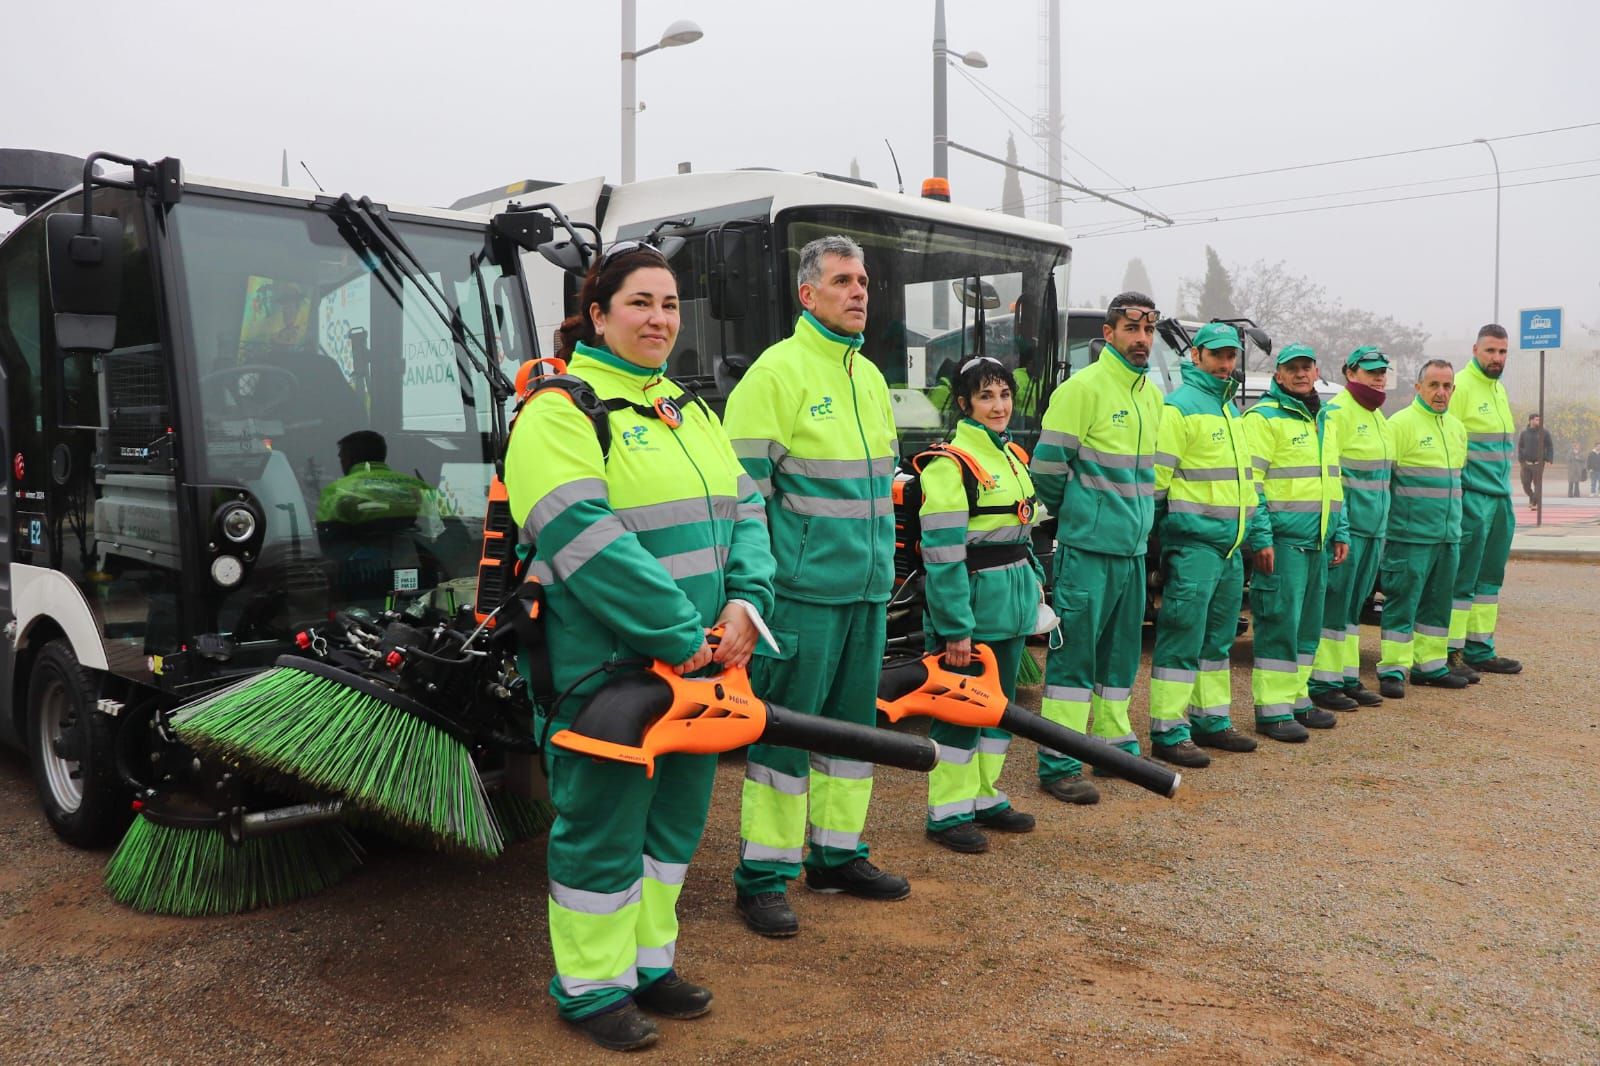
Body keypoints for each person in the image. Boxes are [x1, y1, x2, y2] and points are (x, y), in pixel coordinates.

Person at [504, 243, 776, 1051]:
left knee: (673, 827)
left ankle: (649, 965)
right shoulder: (561, 410)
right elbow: (581, 535)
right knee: (604, 830)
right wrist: (678, 632)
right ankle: (590, 989)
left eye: (668, 305)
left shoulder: (688, 410)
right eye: (639, 303)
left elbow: (747, 512)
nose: (659, 319)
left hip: (702, 666)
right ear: (598, 314)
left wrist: (743, 607)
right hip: (613, 669)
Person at [724, 235, 906, 937]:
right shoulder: (776, 374)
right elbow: (743, 501)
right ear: (808, 294)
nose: (858, 292)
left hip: (865, 592)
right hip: (800, 594)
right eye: (842, 281)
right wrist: (757, 589)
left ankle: (836, 856)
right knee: (783, 740)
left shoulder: (867, 377)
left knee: (850, 738)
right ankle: (763, 877)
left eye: (862, 281)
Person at [1031, 292, 1164, 802]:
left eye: (1148, 330)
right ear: (1108, 334)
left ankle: (1112, 745)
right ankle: (1059, 759)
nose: (1142, 340)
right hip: (1087, 550)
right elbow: (1046, 471)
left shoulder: (1150, 395)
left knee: (1121, 656)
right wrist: (1080, 516)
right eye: (1132, 329)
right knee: (1074, 660)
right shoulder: (1081, 389)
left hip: (1130, 552)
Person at [917, 356, 1043, 852]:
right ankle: (947, 813)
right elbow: (943, 556)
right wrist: (954, 626)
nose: (999, 405)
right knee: (959, 710)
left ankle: (983, 795)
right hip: (971, 607)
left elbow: (1023, 533)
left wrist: (1034, 592)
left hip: (1009, 604)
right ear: (965, 403)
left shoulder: (1011, 455)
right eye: (986, 396)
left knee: (999, 708)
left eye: (1005, 394)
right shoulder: (951, 464)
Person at [1147, 323, 1268, 764]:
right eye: (1217, 355)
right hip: (1195, 547)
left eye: (1231, 356)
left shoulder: (1231, 411)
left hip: (1229, 549)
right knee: (1182, 636)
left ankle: (1210, 720)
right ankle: (1168, 730)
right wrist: (1158, 545)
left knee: (1217, 643)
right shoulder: (1178, 408)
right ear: (1195, 356)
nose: (1226, 364)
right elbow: (1157, 483)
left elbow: (1246, 484)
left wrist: (1253, 536)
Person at [1241, 344, 1349, 742]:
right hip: (1284, 543)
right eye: (1293, 369)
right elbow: (1252, 484)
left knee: (1306, 627)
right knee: (1279, 625)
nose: (1301, 374)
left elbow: (1333, 481)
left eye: (1307, 367)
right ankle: (1272, 710)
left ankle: (1297, 697)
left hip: (1318, 541)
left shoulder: (1324, 419)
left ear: (1316, 371)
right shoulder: (1264, 418)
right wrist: (1262, 537)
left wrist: (1341, 530)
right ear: (1279, 375)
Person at [1375, 360, 1470, 698]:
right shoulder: (1399, 425)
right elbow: (1384, 483)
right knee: (1403, 602)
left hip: (1447, 537)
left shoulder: (1457, 428)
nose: (1441, 392)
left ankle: (1430, 665)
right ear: (1418, 388)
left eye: (1447, 386)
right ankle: (1393, 669)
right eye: (1434, 385)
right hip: (1409, 536)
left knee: (1437, 604)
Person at [1309, 347, 1395, 711]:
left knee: (1352, 608)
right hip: (1348, 531)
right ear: (1350, 372)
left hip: (1373, 530)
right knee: (1334, 606)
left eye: (1382, 372)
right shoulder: (1336, 413)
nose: (1378, 377)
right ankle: (1322, 682)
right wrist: (1337, 529)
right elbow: (1329, 476)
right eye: (1371, 371)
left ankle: (1345, 676)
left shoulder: (1379, 418)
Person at [1447, 325, 1522, 677]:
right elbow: (1449, 439)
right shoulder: (1460, 386)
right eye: (1491, 351)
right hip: (1472, 497)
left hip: (1500, 498)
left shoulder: (1499, 389)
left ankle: (1480, 648)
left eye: (1503, 352)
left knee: (1490, 579)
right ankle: (1449, 652)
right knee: (1463, 578)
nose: (1497, 358)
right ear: (1475, 348)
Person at [1516, 412, 1553, 509]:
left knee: (1537, 484)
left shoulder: (1544, 432)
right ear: (1531, 420)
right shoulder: (1524, 433)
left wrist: (1549, 458)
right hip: (1525, 463)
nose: (1539, 421)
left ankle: (1533, 503)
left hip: (1538, 463)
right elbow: (1520, 446)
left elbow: (1549, 446)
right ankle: (1532, 497)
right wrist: (1521, 459)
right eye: (1537, 419)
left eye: (1540, 420)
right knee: (1525, 484)